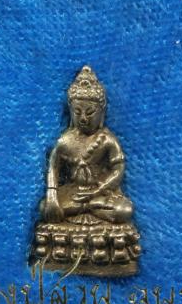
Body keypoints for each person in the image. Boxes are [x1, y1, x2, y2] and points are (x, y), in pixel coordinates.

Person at [42, 66, 134, 225]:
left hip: (100, 192)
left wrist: (98, 191)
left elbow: (118, 169)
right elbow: (53, 167)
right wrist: (52, 195)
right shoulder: (65, 140)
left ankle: (85, 207)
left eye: (90, 112)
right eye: (77, 112)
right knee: (45, 207)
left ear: (101, 112)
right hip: (73, 193)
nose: (83, 118)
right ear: (71, 112)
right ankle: (87, 207)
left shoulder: (107, 140)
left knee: (124, 210)